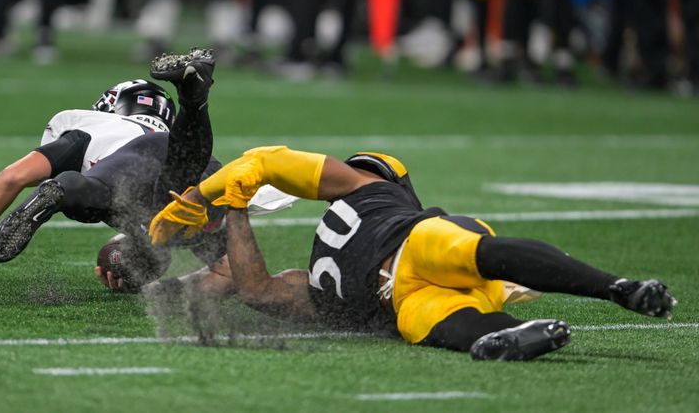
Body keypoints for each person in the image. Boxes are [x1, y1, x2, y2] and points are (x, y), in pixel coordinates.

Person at [148, 147, 677, 360]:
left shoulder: (374, 194)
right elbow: (256, 289)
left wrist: (202, 195)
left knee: (465, 249)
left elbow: (267, 160)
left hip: (420, 247)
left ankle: (617, 287)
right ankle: (507, 334)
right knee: (424, 323)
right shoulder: (321, 288)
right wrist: (231, 207)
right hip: (407, 297)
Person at [0, 48, 229, 293]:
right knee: (178, 207)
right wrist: (145, 271)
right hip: (202, 166)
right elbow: (231, 275)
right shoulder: (157, 132)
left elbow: (12, 177)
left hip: (128, 167)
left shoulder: (96, 126)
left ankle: (66, 189)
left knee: (99, 196)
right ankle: (193, 102)